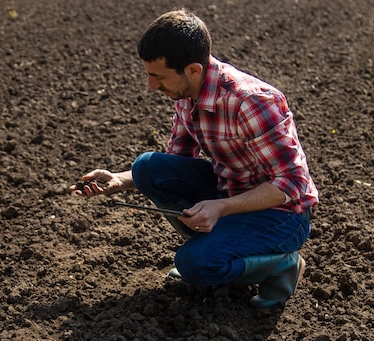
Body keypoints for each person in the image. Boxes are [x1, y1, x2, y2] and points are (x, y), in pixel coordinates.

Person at [69, 9, 319, 309]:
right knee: (148, 167)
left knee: (194, 264)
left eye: (158, 77)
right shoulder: (188, 95)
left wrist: (221, 207)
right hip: (229, 192)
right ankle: (216, 248)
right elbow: (176, 162)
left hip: (282, 215)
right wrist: (119, 180)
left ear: (192, 70)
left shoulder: (251, 102)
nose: (151, 86)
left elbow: (293, 183)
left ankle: (282, 264)